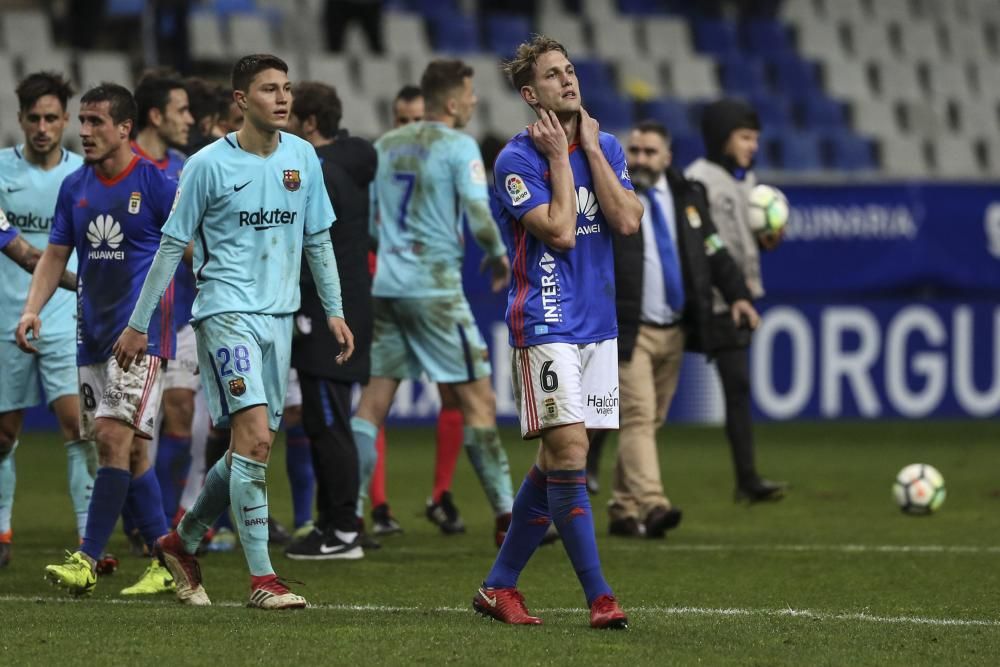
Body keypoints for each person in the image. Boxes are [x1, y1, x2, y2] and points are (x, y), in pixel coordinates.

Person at [115, 54, 353, 610]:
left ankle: (182, 541)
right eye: (270, 89)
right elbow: (171, 247)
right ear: (241, 101)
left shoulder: (303, 159)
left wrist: (335, 310)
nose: (283, 98)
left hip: (279, 318)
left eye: (287, 88)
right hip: (224, 315)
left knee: (254, 448)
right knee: (255, 438)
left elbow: (317, 240)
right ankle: (262, 580)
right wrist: (137, 324)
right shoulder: (206, 166)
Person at [473, 35, 641, 629]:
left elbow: (625, 219)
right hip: (546, 317)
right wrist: (557, 160)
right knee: (569, 451)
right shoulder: (516, 160)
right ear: (530, 93)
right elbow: (562, 231)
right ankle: (600, 598)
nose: (568, 81)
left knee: (560, 457)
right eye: (552, 75)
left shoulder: (608, 146)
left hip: (598, 323)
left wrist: (591, 152)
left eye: (570, 70)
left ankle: (498, 585)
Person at [21, 83, 178, 597]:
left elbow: (186, 252)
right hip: (92, 337)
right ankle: (167, 561)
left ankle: (87, 558)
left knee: (112, 439)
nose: (83, 132)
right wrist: (32, 310)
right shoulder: (76, 186)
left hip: (141, 339)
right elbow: (54, 256)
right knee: (128, 456)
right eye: (82, 122)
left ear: (125, 129)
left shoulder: (155, 184)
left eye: (95, 122)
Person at [351, 58, 516, 549]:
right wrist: (497, 254)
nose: (474, 101)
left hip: (390, 289)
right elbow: (477, 210)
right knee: (479, 400)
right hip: (436, 292)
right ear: (450, 101)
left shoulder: (385, 146)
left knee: (372, 406)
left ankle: (347, 518)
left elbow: (374, 227)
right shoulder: (458, 146)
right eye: (469, 93)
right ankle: (508, 515)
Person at [588, 119, 760, 539]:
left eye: (650, 151)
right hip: (629, 328)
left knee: (650, 421)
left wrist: (737, 294)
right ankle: (653, 504)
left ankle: (622, 510)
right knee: (639, 417)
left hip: (675, 327)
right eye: (634, 150)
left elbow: (715, 250)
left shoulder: (688, 196)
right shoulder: (611, 196)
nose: (640, 158)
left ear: (667, 156)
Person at [368, 83, 466, 538]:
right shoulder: (377, 165)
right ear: (393, 121)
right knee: (377, 400)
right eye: (401, 121)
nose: (408, 129)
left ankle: (441, 495)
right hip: (387, 289)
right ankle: (380, 506)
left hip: (436, 291)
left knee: (454, 395)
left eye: (416, 121)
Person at [0, 72, 90, 569]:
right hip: (6, 315)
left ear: (64, 122)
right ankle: (2, 530)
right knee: (4, 435)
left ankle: (87, 540)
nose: (41, 127)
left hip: (63, 320)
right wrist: (81, 281)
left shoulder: (82, 175)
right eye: (33, 118)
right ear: (20, 121)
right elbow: (27, 255)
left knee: (77, 426)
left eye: (51, 118)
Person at [283, 80, 375, 559]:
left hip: (324, 314)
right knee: (327, 419)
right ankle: (333, 524)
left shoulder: (319, 173)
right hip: (346, 308)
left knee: (329, 423)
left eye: (291, 113)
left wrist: (298, 303)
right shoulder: (349, 167)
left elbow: (308, 248)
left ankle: (342, 530)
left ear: (310, 122)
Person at [685, 98, 787, 503]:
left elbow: (740, 242)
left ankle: (747, 480)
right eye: (745, 137)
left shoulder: (748, 181)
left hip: (732, 303)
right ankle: (590, 469)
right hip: (696, 301)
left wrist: (765, 242)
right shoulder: (698, 180)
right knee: (638, 391)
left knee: (738, 387)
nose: (752, 146)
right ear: (721, 137)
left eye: (755, 138)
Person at [131, 69, 196, 533]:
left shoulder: (188, 168)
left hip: (185, 315)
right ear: (155, 115)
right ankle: (137, 520)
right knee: (134, 430)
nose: (189, 119)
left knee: (181, 412)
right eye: (181, 110)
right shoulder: (121, 165)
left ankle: (165, 528)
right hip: (135, 320)